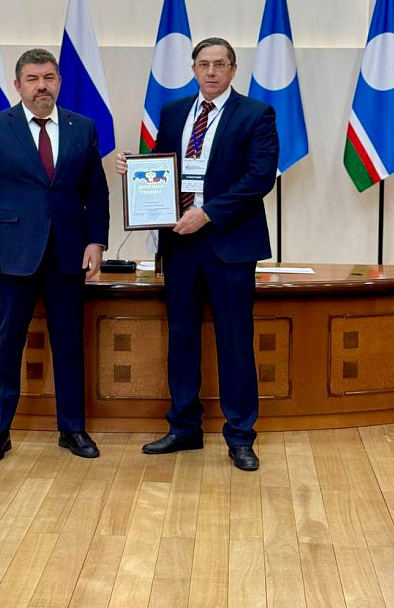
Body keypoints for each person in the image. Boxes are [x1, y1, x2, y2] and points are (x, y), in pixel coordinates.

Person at [117, 37, 278, 470]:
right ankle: (184, 428)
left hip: (229, 243)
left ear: (233, 70)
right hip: (180, 243)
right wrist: (136, 168)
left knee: (235, 341)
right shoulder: (173, 112)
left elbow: (259, 177)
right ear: (193, 69)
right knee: (183, 336)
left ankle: (240, 436)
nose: (211, 72)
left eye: (220, 64)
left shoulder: (256, 114)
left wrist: (206, 214)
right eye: (204, 64)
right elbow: (163, 166)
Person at [0, 48, 109, 463]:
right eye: (32, 79)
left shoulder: (82, 127)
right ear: (18, 85)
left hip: (68, 255)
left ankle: (72, 429)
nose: (41, 86)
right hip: (12, 257)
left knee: (69, 344)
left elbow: (96, 191)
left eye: (48, 78)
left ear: (59, 82)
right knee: (6, 346)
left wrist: (96, 241)